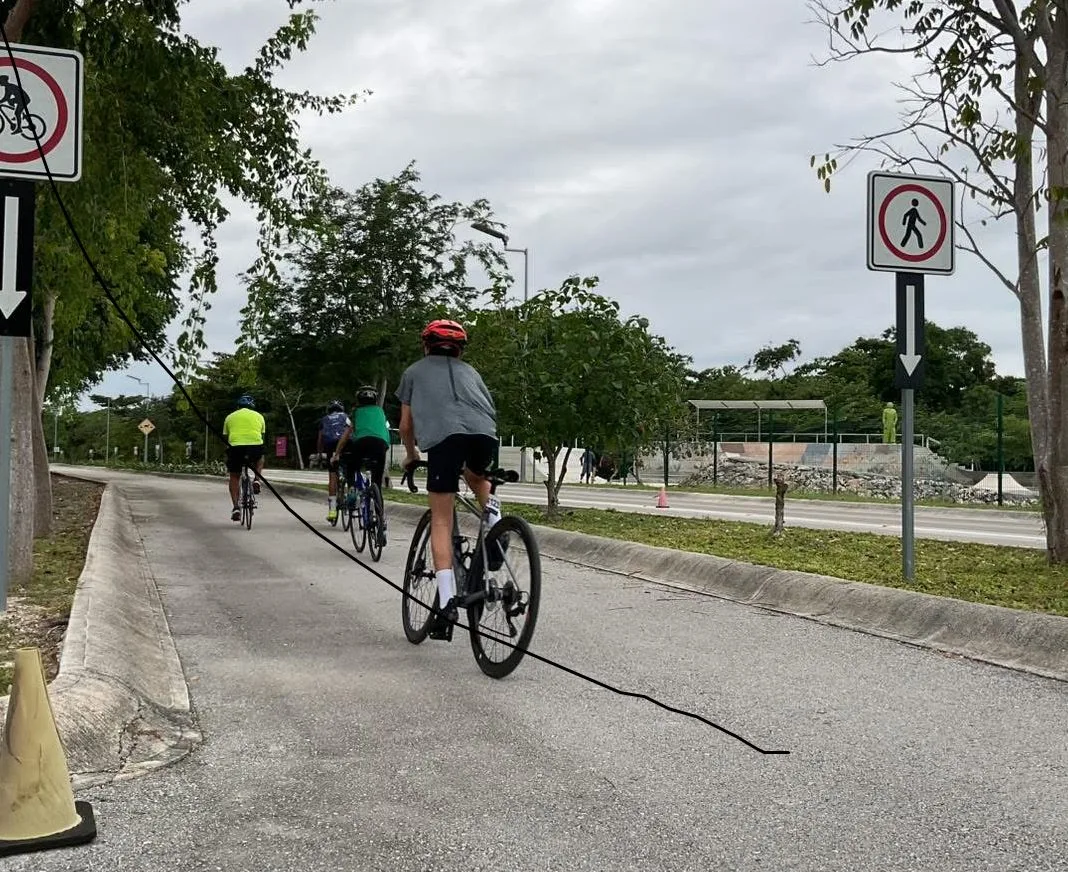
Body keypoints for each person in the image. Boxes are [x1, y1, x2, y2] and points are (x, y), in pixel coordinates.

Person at [397, 319, 502, 640]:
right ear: (459, 350)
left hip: (444, 440)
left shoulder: (413, 372)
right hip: (485, 435)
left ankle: (446, 602)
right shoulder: (472, 372)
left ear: (426, 345)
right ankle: (498, 528)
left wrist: (412, 454)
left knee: (441, 520)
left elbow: (405, 426)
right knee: (477, 476)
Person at [333, 385, 391, 542]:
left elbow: (346, 435)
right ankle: (380, 521)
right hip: (381, 445)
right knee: (377, 483)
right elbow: (386, 429)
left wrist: (337, 454)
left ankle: (352, 489)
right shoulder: (381, 412)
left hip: (362, 443)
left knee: (352, 466)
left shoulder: (356, 412)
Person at [222, 393, 266, 522]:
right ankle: (257, 479)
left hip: (236, 448)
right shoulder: (259, 416)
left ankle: (236, 507)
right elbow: (262, 437)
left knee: (234, 476)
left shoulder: (229, 417)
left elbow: (225, 438)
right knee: (260, 458)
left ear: (238, 406)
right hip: (254, 447)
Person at [317, 400, 351, 523]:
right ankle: (349, 493)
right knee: (350, 470)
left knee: (332, 476)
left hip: (330, 445)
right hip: (346, 444)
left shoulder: (324, 419)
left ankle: (332, 510)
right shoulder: (346, 416)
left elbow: (320, 439)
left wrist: (320, 453)